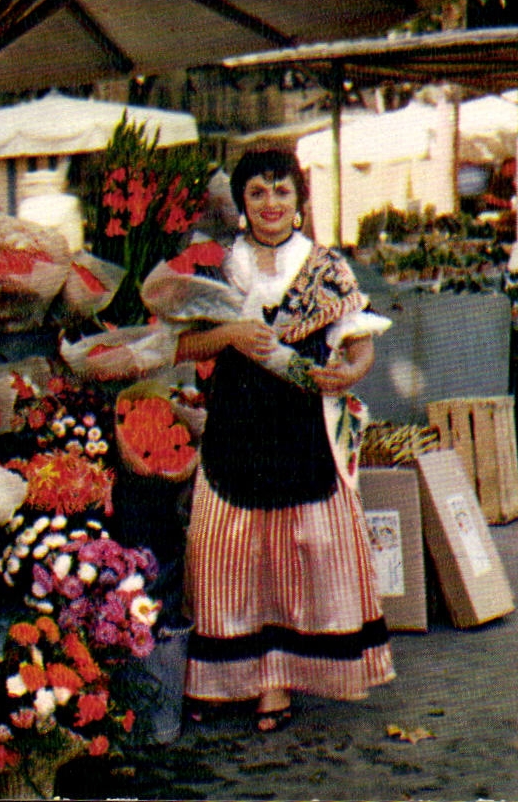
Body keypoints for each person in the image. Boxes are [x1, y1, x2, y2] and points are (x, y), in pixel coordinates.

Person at [174, 148, 394, 732]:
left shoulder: (326, 267)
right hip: (235, 430)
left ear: (298, 201)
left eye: (281, 192)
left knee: (303, 557)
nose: (271, 204)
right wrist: (229, 334)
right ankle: (230, 679)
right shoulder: (218, 269)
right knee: (226, 554)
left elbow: (360, 340)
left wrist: (350, 373)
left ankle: (279, 683)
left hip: (304, 431)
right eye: (257, 194)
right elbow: (180, 346)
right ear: (241, 205)